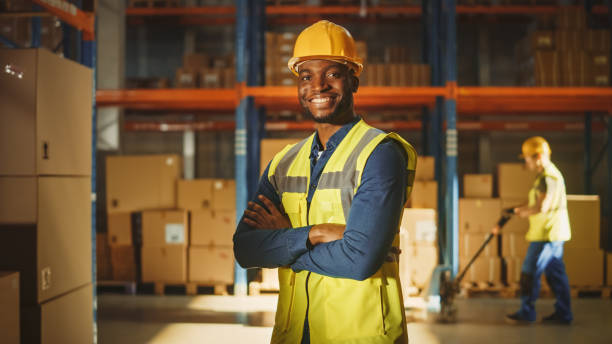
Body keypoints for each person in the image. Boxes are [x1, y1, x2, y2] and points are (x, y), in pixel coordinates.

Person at [233, 20, 417, 343]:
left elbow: (360, 259)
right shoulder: (284, 163)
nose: (318, 86)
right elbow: (245, 250)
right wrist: (316, 234)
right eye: (306, 76)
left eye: (332, 74)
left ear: (354, 81)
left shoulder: (380, 154)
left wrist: (284, 242)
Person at [503, 136, 573, 325]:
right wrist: (517, 208)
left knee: (529, 271)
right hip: (551, 233)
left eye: (528, 158)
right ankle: (564, 314)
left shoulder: (549, 177)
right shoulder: (544, 176)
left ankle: (527, 312)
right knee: (555, 275)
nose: (526, 162)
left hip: (547, 234)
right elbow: (535, 201)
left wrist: (523, 213)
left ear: (538, 156)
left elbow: (542, 207)